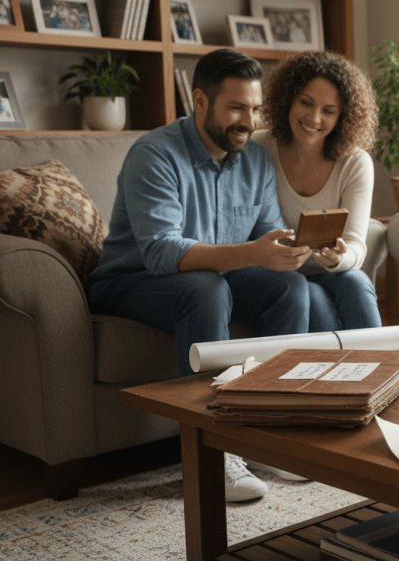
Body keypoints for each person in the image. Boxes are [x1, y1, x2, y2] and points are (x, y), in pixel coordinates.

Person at [88, 49, 313, 502]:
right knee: (205, 290)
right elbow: (160, 251)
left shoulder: (254, 161)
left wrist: (289, 248)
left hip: (209, 277)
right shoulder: (154, 154)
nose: (247, 121)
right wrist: (252, 252)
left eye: (254, 109)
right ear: (200, 101)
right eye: (236, 107)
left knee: (289, 287)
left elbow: (265, 230)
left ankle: (268, 436)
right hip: (131, 282)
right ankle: (212, 455)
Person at [255, 51, 382, 334]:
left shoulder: (355, 162)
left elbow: (356, 245)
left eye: (329, 111)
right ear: (288, 98)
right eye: (306, 103)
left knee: (357, 283)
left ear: (343, 116)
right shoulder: (258, 149)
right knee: (315, 300)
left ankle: (384, 371)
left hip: (333, 272)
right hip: (277, 275)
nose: (314, 118)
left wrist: (340, 259)